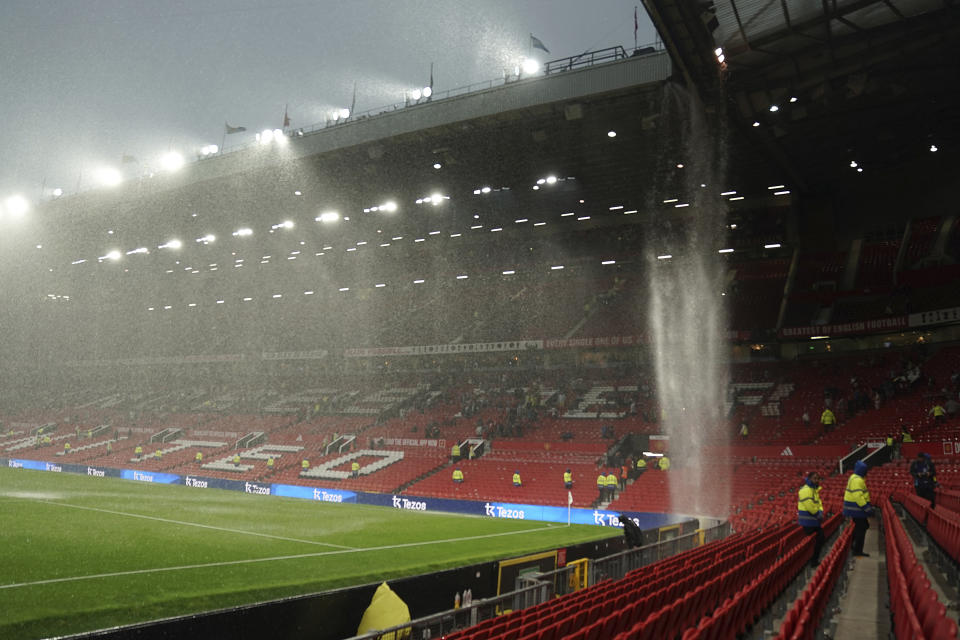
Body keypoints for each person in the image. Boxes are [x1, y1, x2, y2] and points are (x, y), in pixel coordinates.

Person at [843, 460, 874, 557]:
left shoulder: (854, 477)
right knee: (862, 527)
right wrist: (866, 508)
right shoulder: (857, 480)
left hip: (854, 509)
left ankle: (854, 547)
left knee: (860, 527)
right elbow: (858, 496)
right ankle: (857, 550)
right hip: (857, 509)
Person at [797, 471, 825, 566]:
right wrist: (818, 514)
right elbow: (809, 505)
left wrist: (820, 511)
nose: (817, 480)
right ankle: (813, 561)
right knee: (816, 541)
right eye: (814, 478)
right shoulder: (805, 490)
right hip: (807, 522)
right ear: (809, 479)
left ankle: (814, 561)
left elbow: (819, 503)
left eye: (818, 478)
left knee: (820, 539)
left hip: (814, 521)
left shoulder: (814, 490)